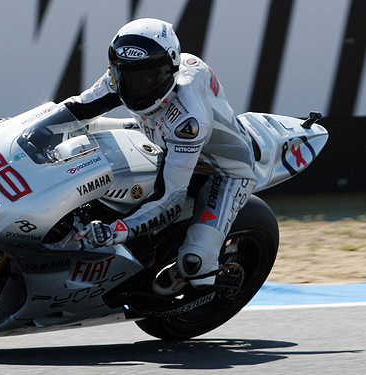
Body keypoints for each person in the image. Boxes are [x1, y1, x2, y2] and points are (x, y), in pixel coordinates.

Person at [64, 18, 257, 295]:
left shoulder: (188, 118)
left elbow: (170, 200)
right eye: (125, 75)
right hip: (160, 138)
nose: (133, 87)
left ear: (170, 70)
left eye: (146, 78)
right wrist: (24, 126)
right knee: (79, 130)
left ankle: (199, 283)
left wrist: (115, 231)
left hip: (220, 169)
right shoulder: (122, 75)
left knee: (196, 264)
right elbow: (77, 108)